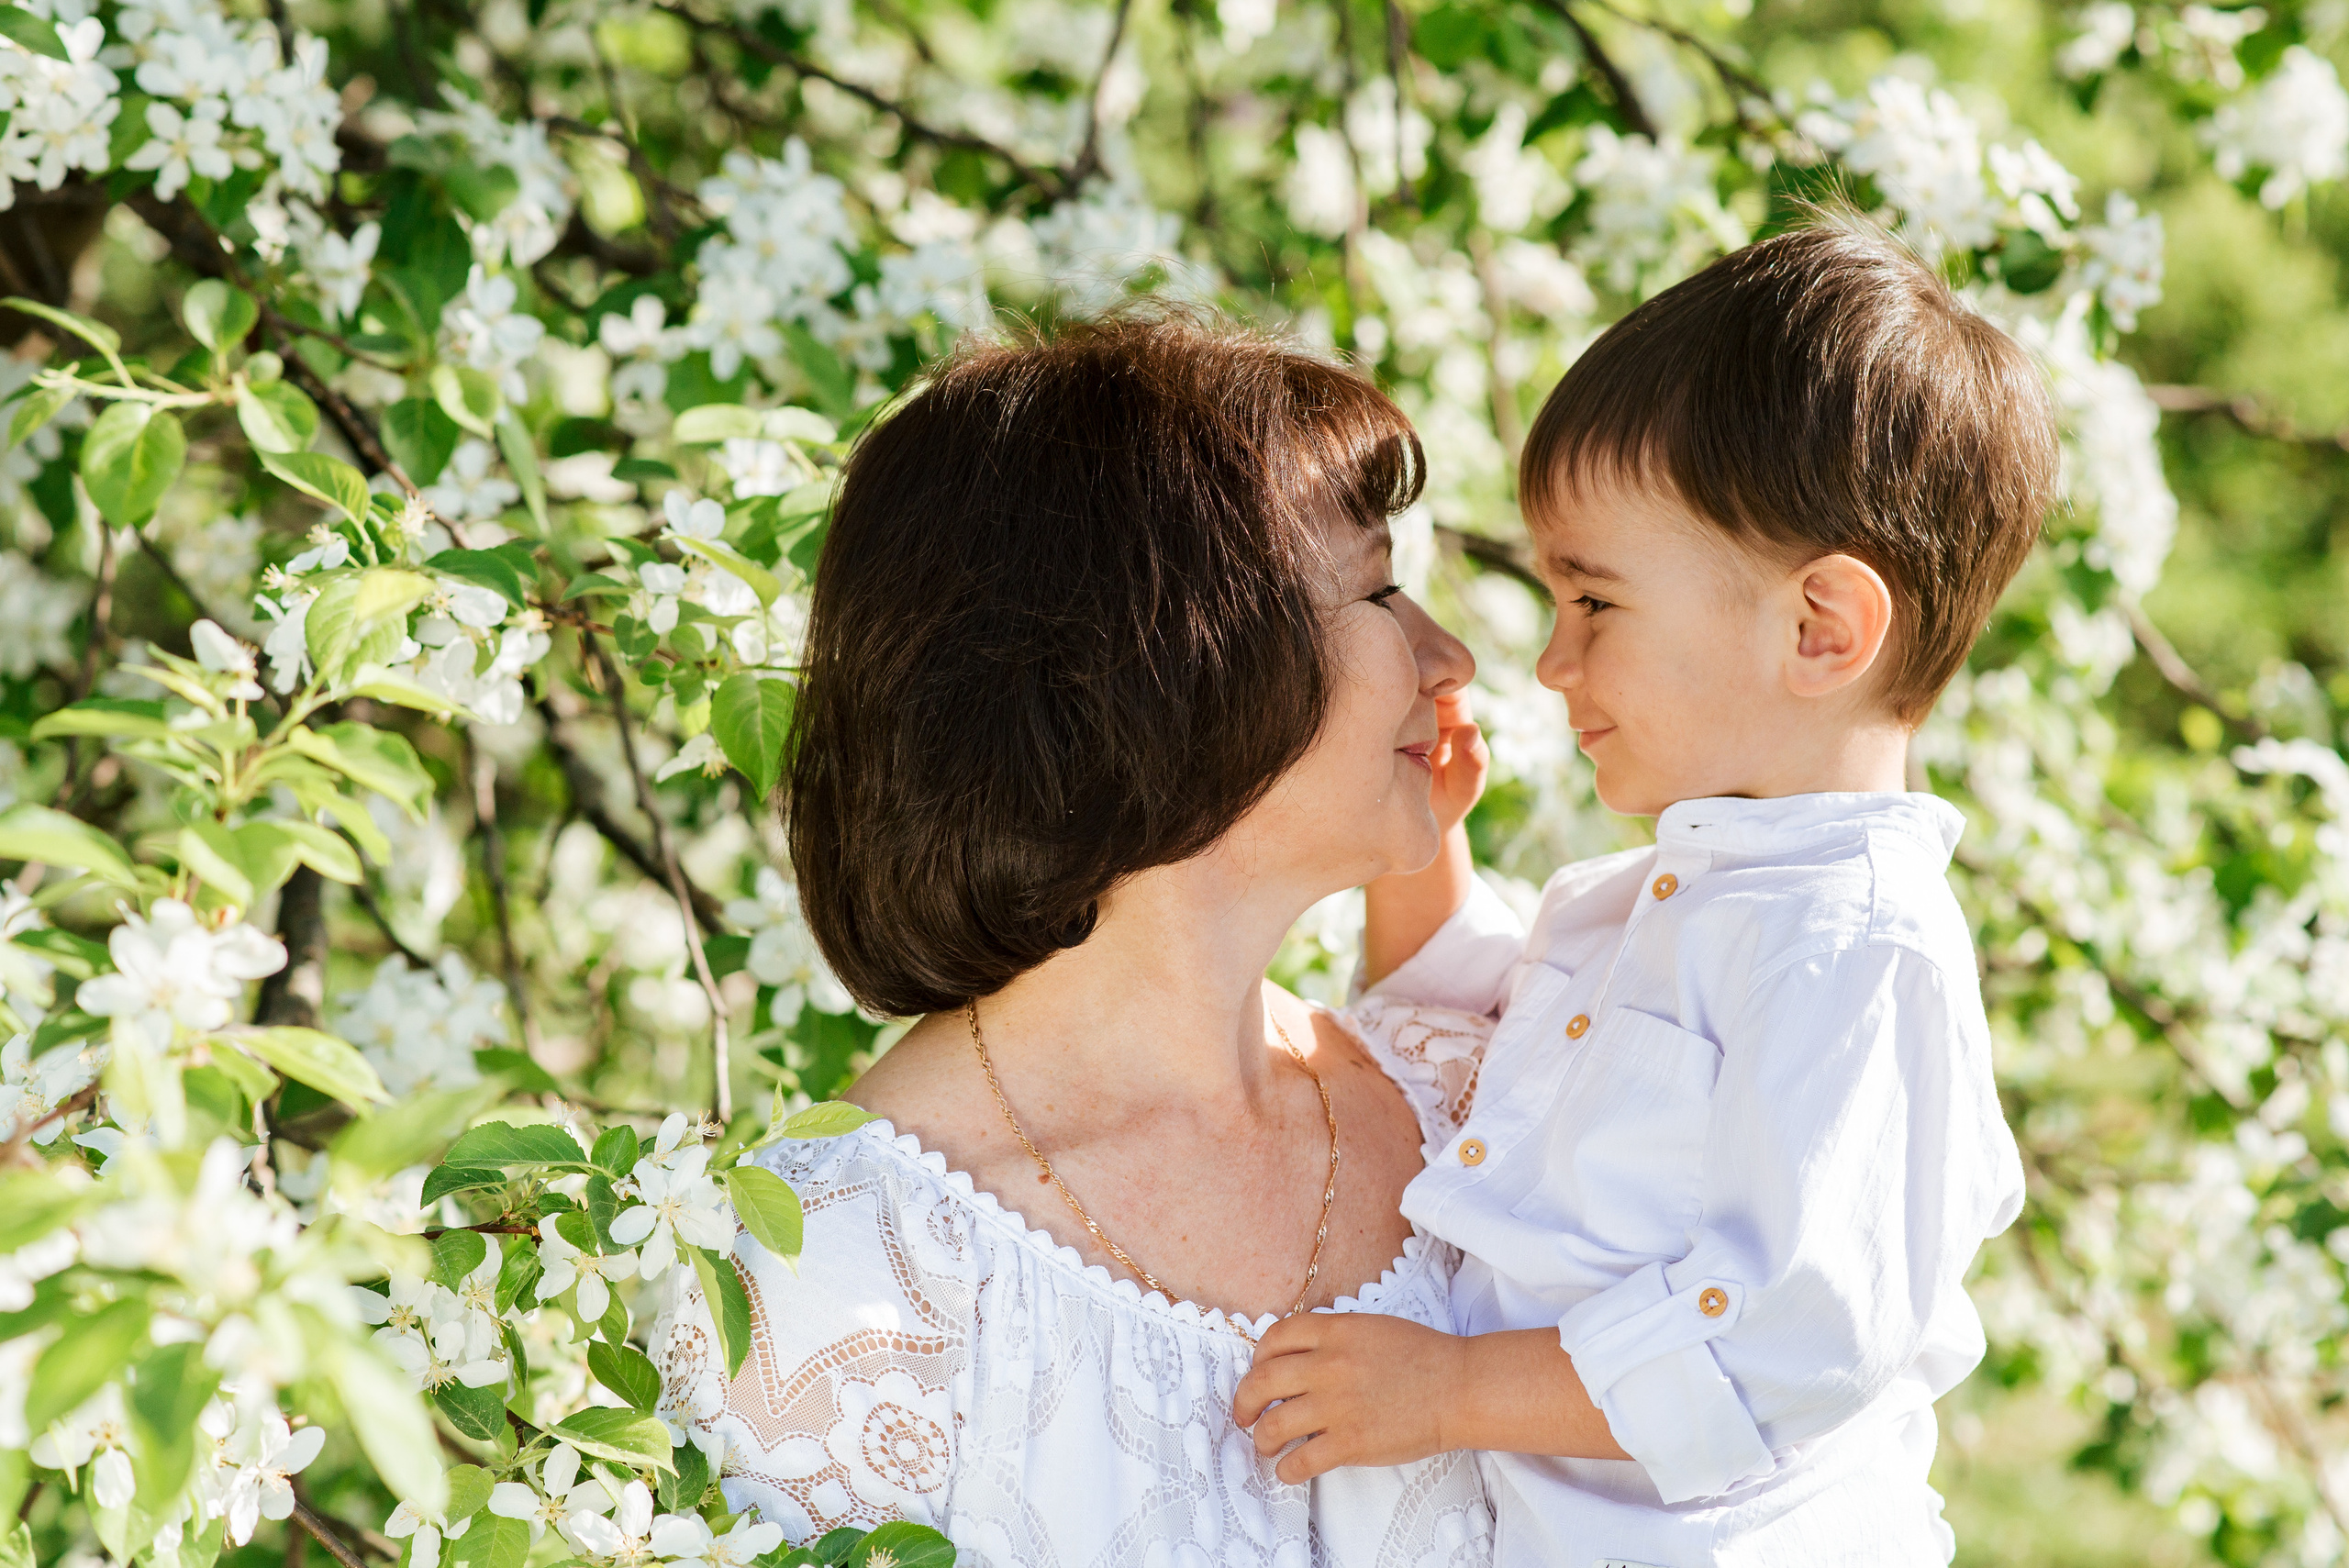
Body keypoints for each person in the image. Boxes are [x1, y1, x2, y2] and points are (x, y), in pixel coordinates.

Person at [1231, 217, 2057, 1565]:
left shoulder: (1856, 949)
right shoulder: (1668, 901)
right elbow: (1477, 1051)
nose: (1551, 663)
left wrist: (1450, 1392)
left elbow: (1797, 1331)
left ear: (1820, 630)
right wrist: (1425, 846)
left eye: (1596, 603)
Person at [651, 315, 1498, 1565]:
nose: (1450, 658)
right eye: (1377, 590)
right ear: (1173, 666)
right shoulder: (830, 1286)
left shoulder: (1478, 1110)